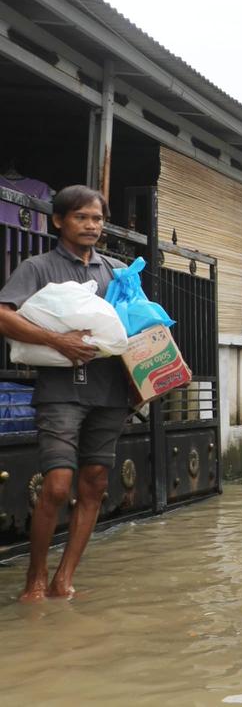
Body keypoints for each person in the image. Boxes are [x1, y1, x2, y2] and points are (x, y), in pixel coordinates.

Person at [0, 186, 129, 601]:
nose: (92, 226)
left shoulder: (117, 272)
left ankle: (64, 579)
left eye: (97, 219)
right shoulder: (37, 268)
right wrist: (60, 342)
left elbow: (139, 328)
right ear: (58, 221)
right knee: (56, 486)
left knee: (94, 482)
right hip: (60, 392)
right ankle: (35, 576)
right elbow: (4, 316)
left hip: (111, 391)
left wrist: (148, 381)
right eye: (81, 218)